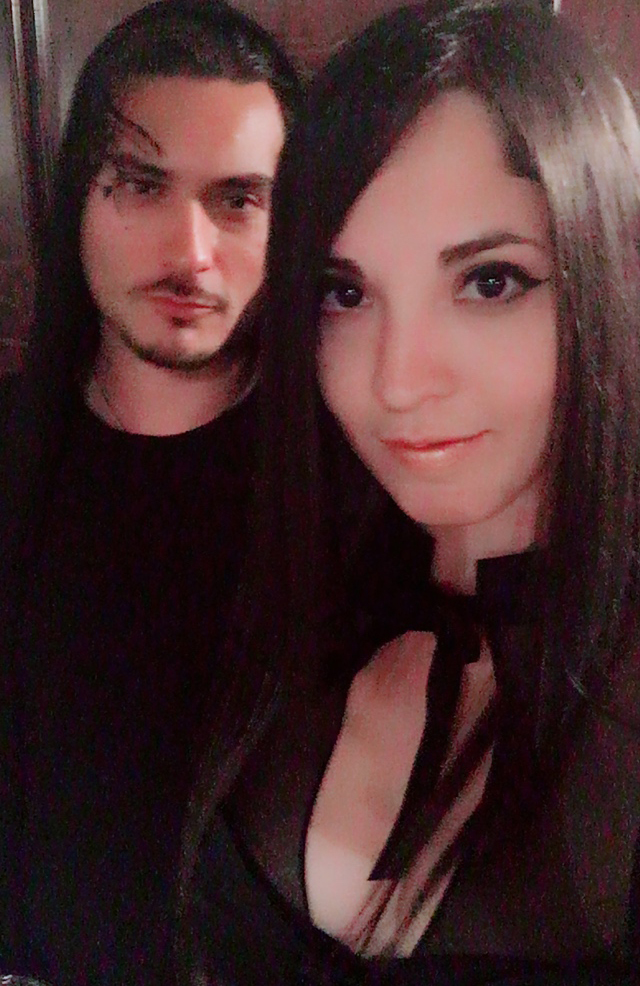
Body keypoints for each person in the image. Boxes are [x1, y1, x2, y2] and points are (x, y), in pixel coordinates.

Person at [181, 1, 640, 983]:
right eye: (345, 293)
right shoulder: (290, 586)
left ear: (606, 276)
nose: (395, 380)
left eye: (489, 282)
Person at [0, 1, 299, 983]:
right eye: (139, 183)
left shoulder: (344, 482)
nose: (190, 252)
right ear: (77, 198)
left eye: (238, 198)